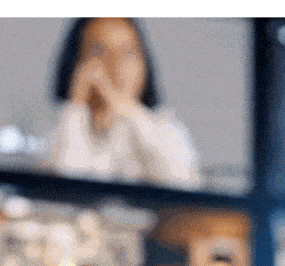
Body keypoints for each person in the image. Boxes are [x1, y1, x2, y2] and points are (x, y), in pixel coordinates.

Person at [45, 18, 201, 188]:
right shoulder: (57, 128)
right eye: (99, 51)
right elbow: (64, 184)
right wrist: (76, 106)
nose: (115, 64)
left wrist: (129, 111)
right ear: (76, 64)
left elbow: (180, 180)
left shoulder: (165, 129)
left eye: (128, 52)